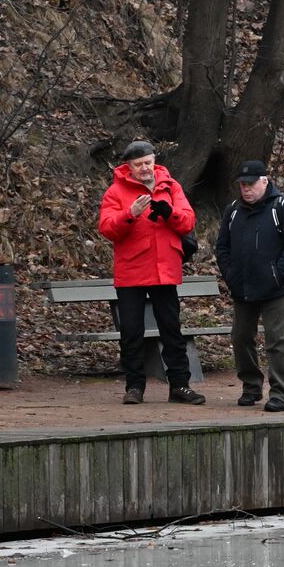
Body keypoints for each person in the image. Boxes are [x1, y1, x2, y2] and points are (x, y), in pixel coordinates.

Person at [97, 140, 206, 405]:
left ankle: (179, 385)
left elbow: (188, 220)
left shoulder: (171, 186)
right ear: (129, 167)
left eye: (148, 162)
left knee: (172, 330)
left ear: (154, 160)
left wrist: (170, 214)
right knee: (131, 332)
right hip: (132, 270)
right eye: (139, 164)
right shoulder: (116, 191)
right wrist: (130, 213)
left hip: (165, 268)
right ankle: (134, 386)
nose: (145, 168)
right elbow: (107, 228)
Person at [214, 160, 284, 412]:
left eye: (251, 184)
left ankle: (279, 393)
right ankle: (251, 385)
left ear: (264, 181)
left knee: (276, 340)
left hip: (274, 288)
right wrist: (230, 274)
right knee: (241, 337)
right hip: (242, 285)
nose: (246, 189)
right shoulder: (232, 210)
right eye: (243, 184)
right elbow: (222, 247)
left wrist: (278, 274)